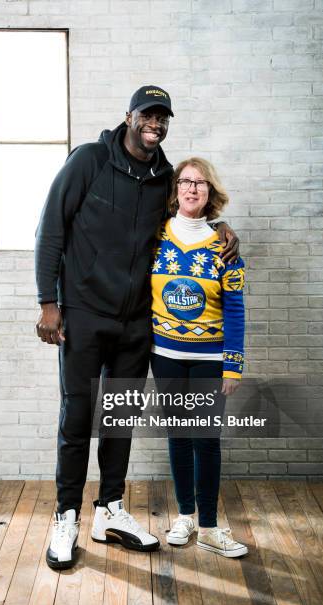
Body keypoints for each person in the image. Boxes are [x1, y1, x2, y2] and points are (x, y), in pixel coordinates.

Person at [35, 86, 240, 570]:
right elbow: (51, 230)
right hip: (84, 314)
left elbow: (192, 213)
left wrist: (225, 229)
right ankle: (66, 516)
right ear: (128, 116)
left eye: (163, 117)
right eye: (148, 114)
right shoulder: (88, 161)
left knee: (119, 419)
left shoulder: (165, 178)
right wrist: (49, 302)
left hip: (136, 325)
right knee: (78, 418)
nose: (156, 123)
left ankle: (110, 510)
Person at [150, 157, 248, 558]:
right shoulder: (152, 237)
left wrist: (233, 365)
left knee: (206, 440)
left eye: (201, 183)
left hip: (209, 359)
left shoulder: (223, 246)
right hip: (165, 355)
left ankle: (208, 526)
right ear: (175, 189)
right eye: (186, 181)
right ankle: (184, 516)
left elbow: (236, 309)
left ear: (211, 193)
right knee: (178, 435)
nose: (192, 189)